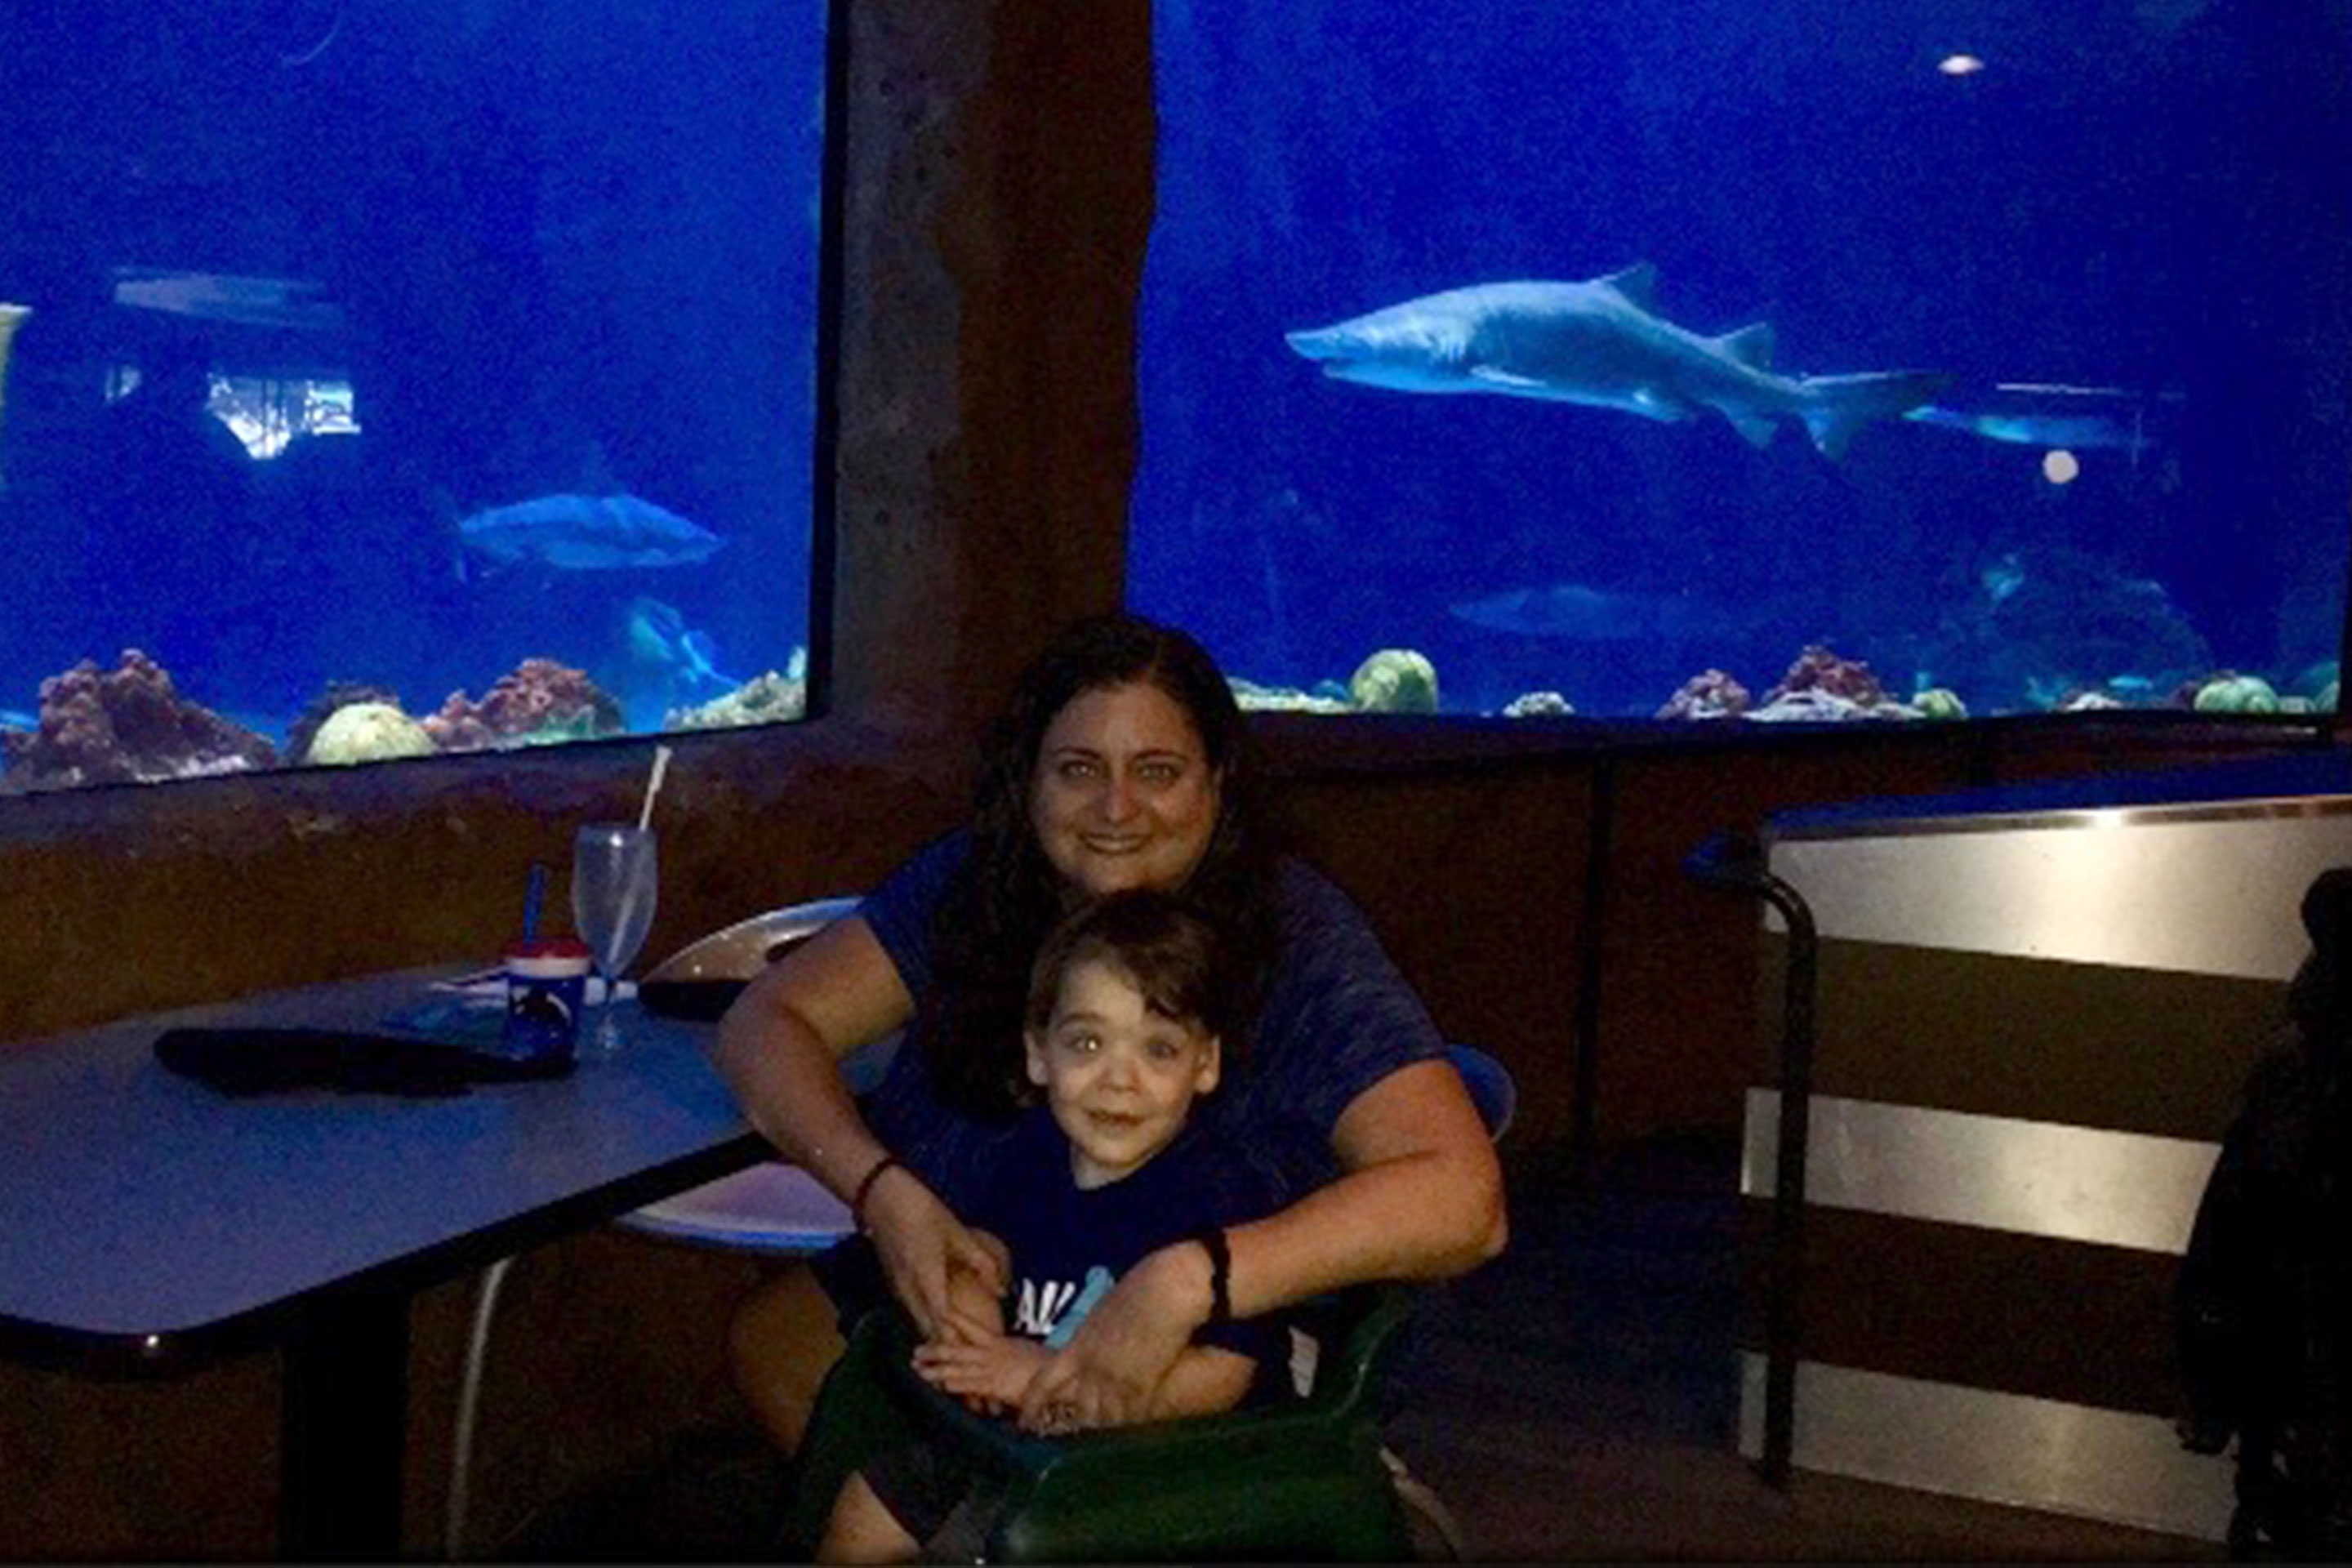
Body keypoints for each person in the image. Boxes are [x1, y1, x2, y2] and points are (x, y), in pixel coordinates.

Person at [713, 610, 1505, 1459]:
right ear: (1029, 783)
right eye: (1080, 769)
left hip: (1220, 1337)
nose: (1117, 808)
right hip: (991, 1272)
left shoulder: (1291, 937)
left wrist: (1189, 1280)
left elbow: (1465, 1201)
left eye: (1157, 771)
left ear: (1216, 781)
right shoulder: (976, 887)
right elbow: (763, 1023)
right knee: (777, 1345)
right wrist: (883, 1195)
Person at [817, 889, 1288, 1562]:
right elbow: (989, 1246)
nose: (1119, 1080)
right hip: (1019, 1444)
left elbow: (1226, 1375)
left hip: (1160, 1472)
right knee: (866, 1507)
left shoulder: (1220, 1194)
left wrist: (1046, 1377)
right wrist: (973, 1315)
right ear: (1039, 1054)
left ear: (1205, 1064)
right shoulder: (1032, 1151)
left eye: (1158, 1050)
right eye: (1088, 1042)